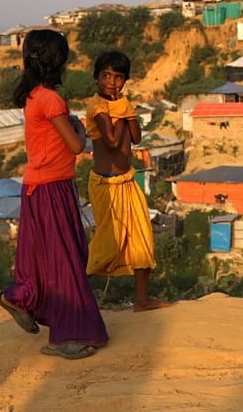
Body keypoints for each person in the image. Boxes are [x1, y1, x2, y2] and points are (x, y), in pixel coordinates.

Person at [0, 29, 108, 360]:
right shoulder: (51, 99)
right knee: (66, 262)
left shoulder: (34, 95)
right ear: (58, 61)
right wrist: (78, 126)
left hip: (37, 186)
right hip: (52, 187)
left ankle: (20, 298)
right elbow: (75, 145)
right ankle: (66, 337)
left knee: (47, 260)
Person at [84, 50, 172, 313]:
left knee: (141, 237)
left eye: (118, 77)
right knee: (107, 243)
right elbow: (111, 142)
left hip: (127, 180)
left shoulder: (122, 104)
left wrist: (126, 111)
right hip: (106, 185)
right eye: (106, 76)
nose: (111, 82)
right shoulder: (97, 106)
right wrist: (122, 111)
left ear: (125, 80)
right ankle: (68, 293)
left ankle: (142, 300)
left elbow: (135, 138)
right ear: (96, 77)